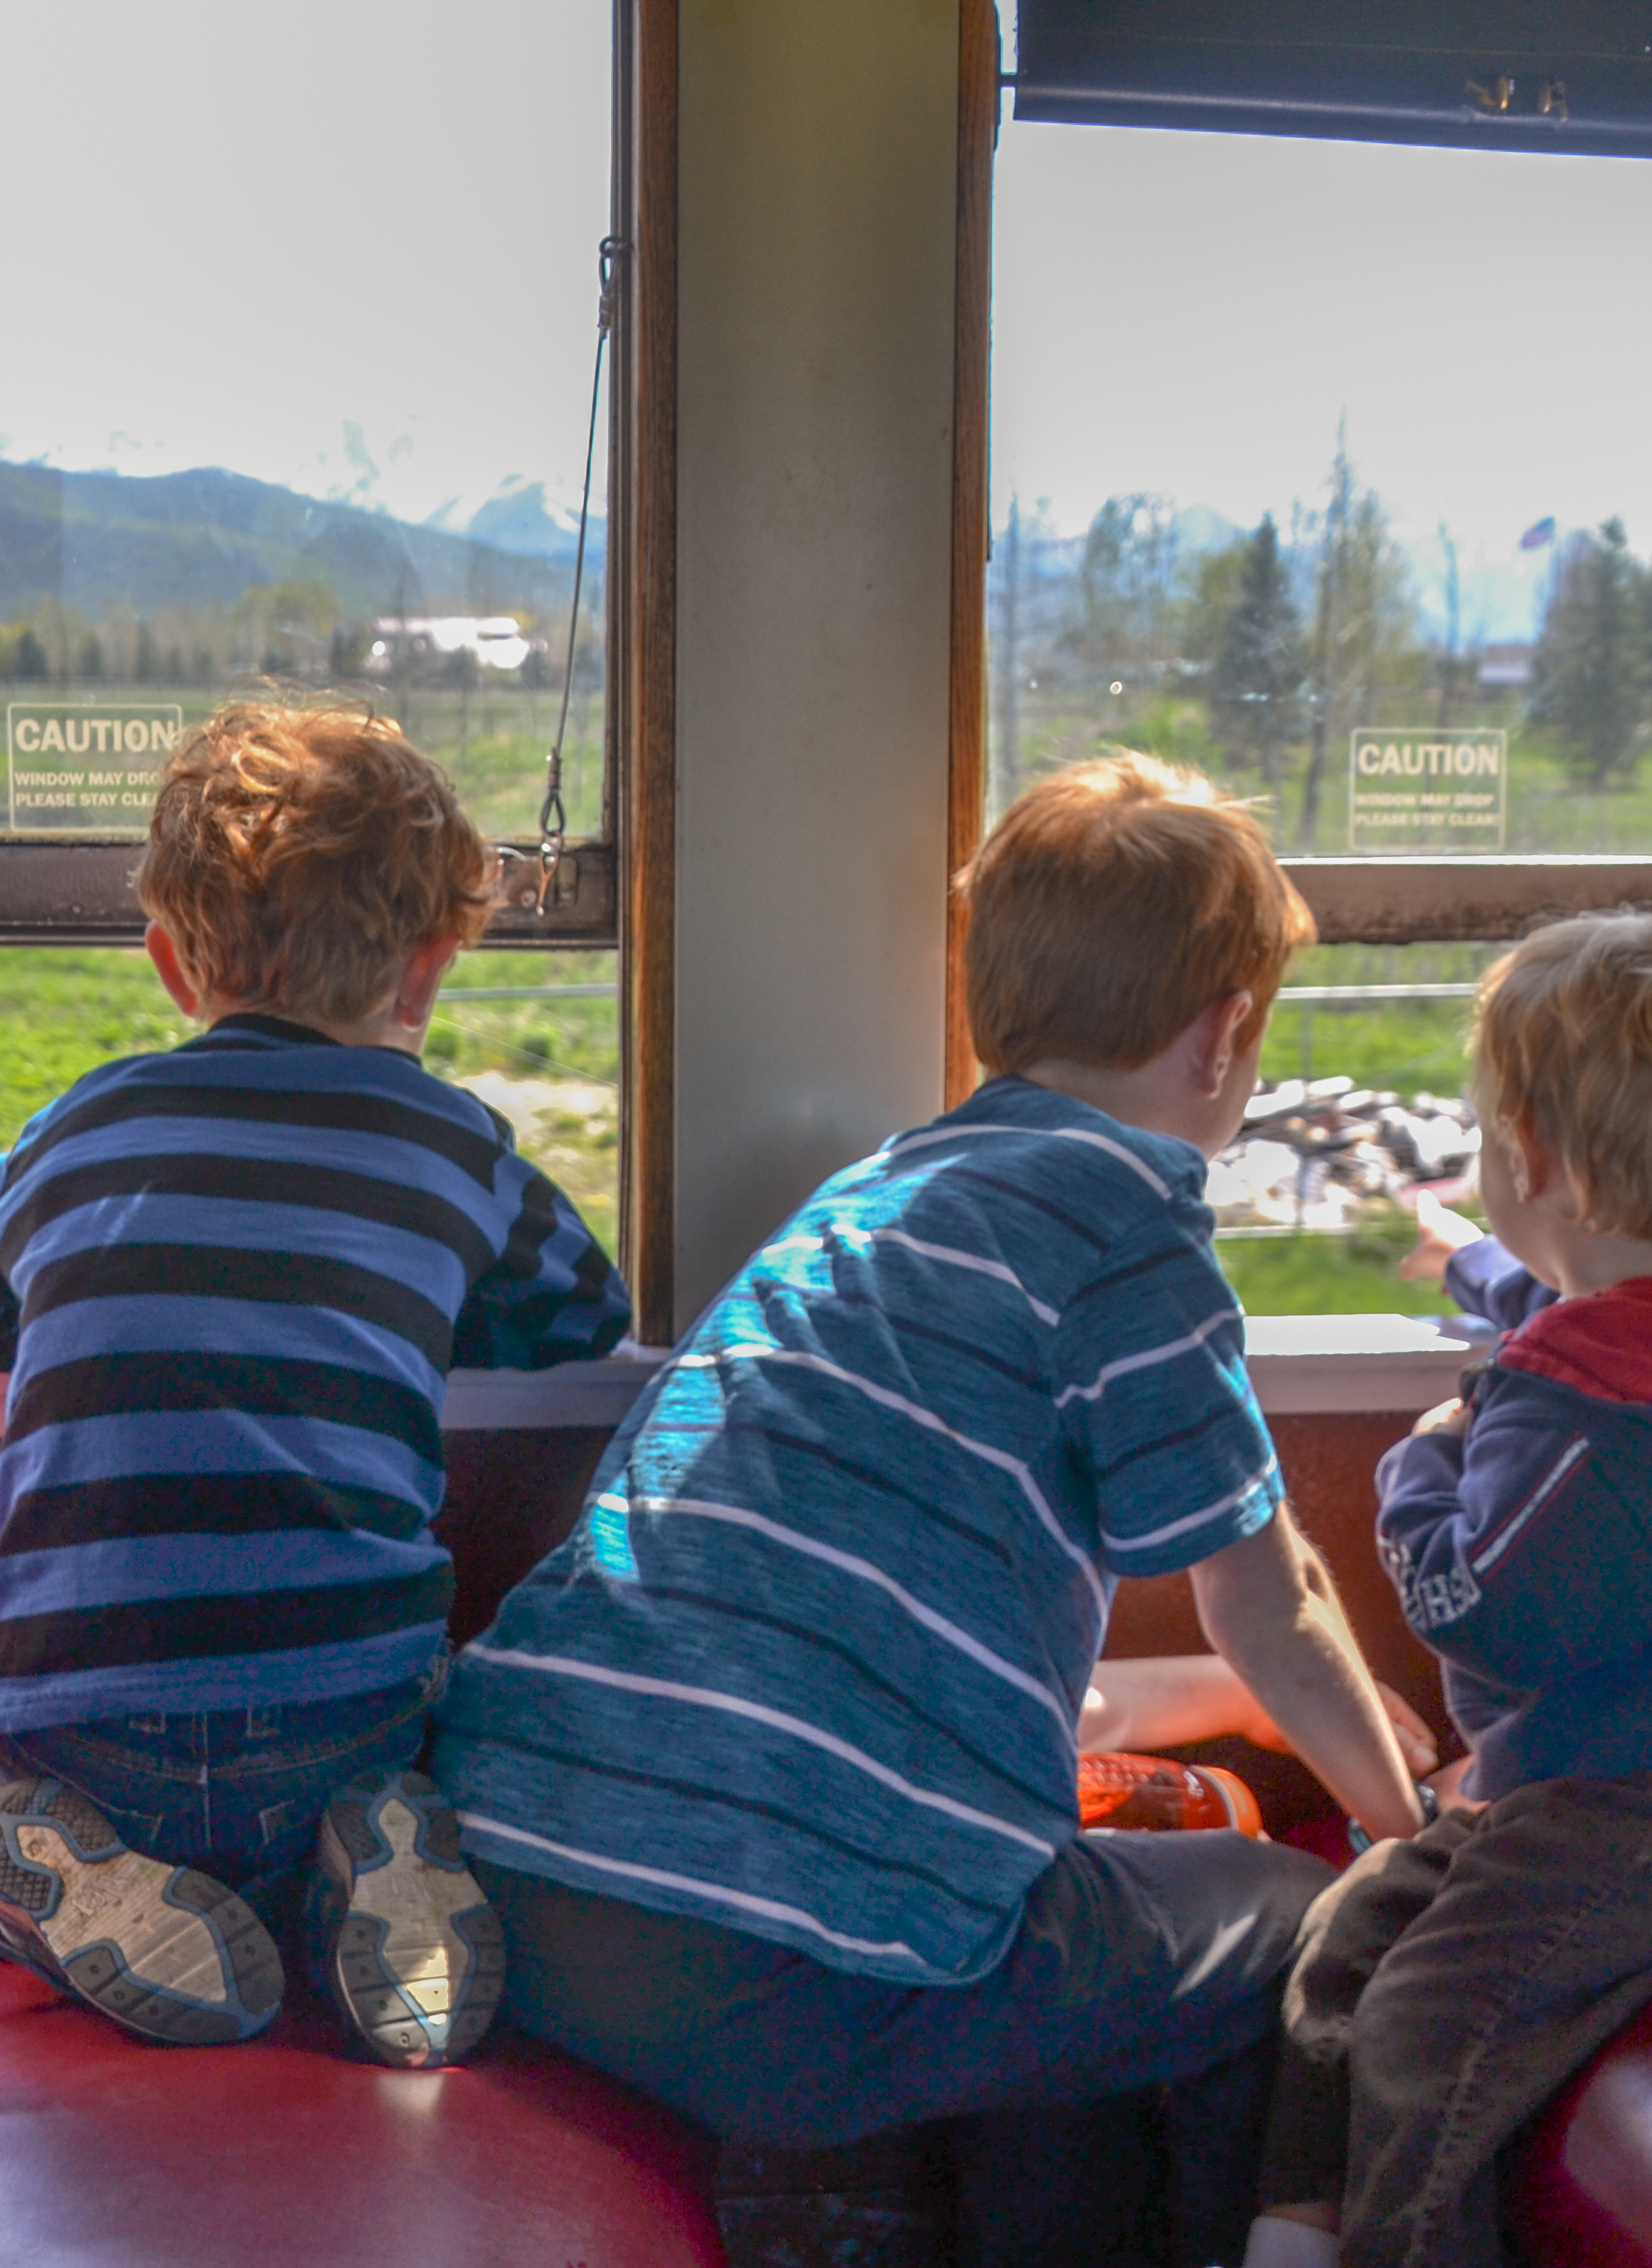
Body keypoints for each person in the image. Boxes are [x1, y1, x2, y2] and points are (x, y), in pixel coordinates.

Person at [430, 752, 1432, 2267]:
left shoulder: (871, 1202)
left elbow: (908, 1661)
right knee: (1289, 1920)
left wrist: (1230, 1703)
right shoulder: (1131, 1228)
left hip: (527, 1877)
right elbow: (1268, 1592)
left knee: (1062, 1911)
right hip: (789, 1982)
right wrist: (1402, 1830)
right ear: (1226, 1039)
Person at [0, 699, 630, 2062]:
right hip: (339, 1722)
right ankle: (383, 1836)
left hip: (78, 1727)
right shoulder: (455, 1149)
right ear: (429, 968)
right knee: (368, 1767)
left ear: (173, 964)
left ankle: (41, 1858)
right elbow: (589, 1313)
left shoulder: (82, 1124)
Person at [1244, 912, 1652, 2268]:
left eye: (1488, 1135)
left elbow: (1479, 1612)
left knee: (1428, 2021)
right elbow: (1591, 1304)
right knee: (1346, 1933)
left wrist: (1420, 1465)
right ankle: (1290, 2233)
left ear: (1530, 1159)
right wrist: (1472, 1267)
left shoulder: (1577, 1420)